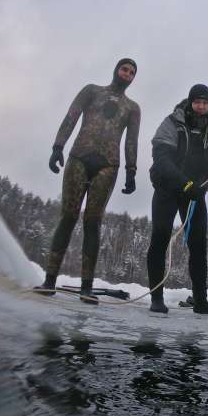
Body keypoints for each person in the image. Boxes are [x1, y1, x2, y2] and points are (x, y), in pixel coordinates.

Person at [35, 58, 140, 304]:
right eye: (125, 69)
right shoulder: (91, 90)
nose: (127, 74)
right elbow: (70, 116)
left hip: (108, 165)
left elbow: (131, 141)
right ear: (116, 69)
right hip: (79, 157)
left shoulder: (132, 107)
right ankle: (49, 281)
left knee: (93, 222)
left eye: (132, 72)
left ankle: (87, 287)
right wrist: (58, 146)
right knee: (68, 216)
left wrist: (131, 170)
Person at [146, 84, 208, 314]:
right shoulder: (172, 122)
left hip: (195, 194)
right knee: (160, 238)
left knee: (199, 245)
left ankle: (200, 301)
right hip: (168, 189)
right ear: (190, 102)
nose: (201, 107)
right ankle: (156, 298)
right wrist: (185, 183)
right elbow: (161, 158)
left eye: (205, 103)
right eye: (197, 102)